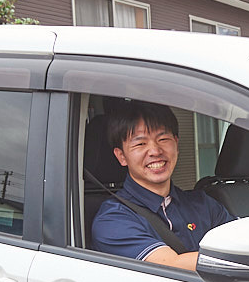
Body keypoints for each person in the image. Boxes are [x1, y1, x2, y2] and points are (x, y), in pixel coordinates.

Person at [91, 100, 235, 271]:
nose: (155, 151)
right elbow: (172, 266)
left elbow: (244, 242)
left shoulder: (203, 204)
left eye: (163, 139)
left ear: (176, 143)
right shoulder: (113, 220)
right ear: (121, 156)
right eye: (140, 143)